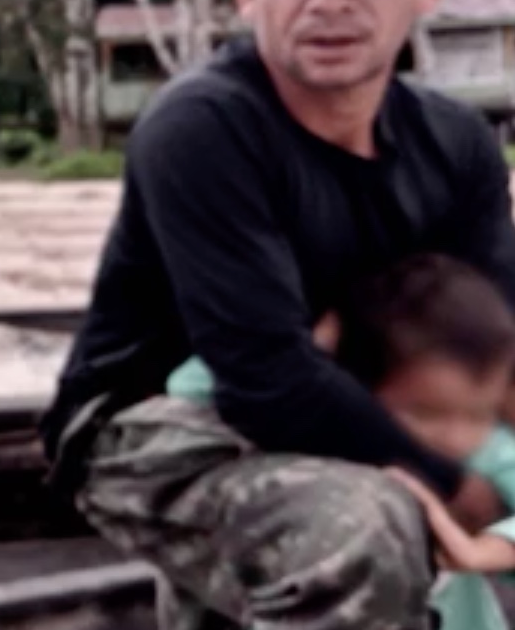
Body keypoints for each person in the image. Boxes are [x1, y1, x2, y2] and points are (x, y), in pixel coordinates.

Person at [39, 0, 515, 629]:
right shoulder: (202, 128)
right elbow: (264, 375)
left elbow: (495, 345)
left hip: (365, 400)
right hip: (160, 419)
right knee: (360, 530)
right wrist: (457, 487)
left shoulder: (458, 144)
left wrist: (496, 486)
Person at [170, 253, 515, 629]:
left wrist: (483, 549)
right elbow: (191, 387)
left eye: (478, 414)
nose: (457, 435)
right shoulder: (321, 431)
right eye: (426, 413)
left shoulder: (481, 454)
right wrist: (313, 357)